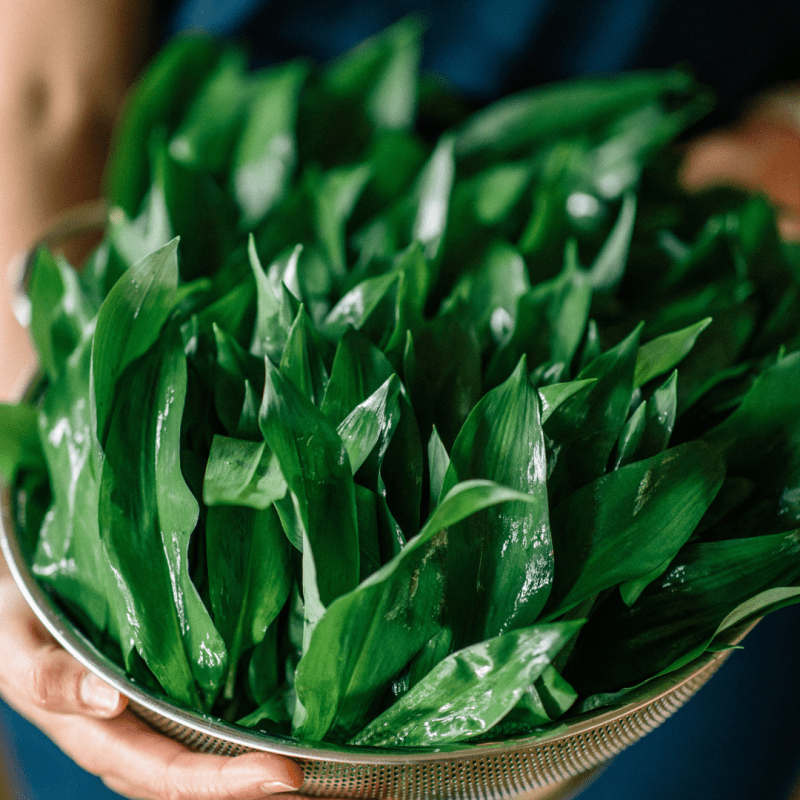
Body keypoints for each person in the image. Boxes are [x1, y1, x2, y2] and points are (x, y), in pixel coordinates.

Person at [2, 2, 800, 798]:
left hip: (674, 205)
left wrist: (781, 137)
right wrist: (33, 443)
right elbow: (41, 91)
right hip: (272, 150)